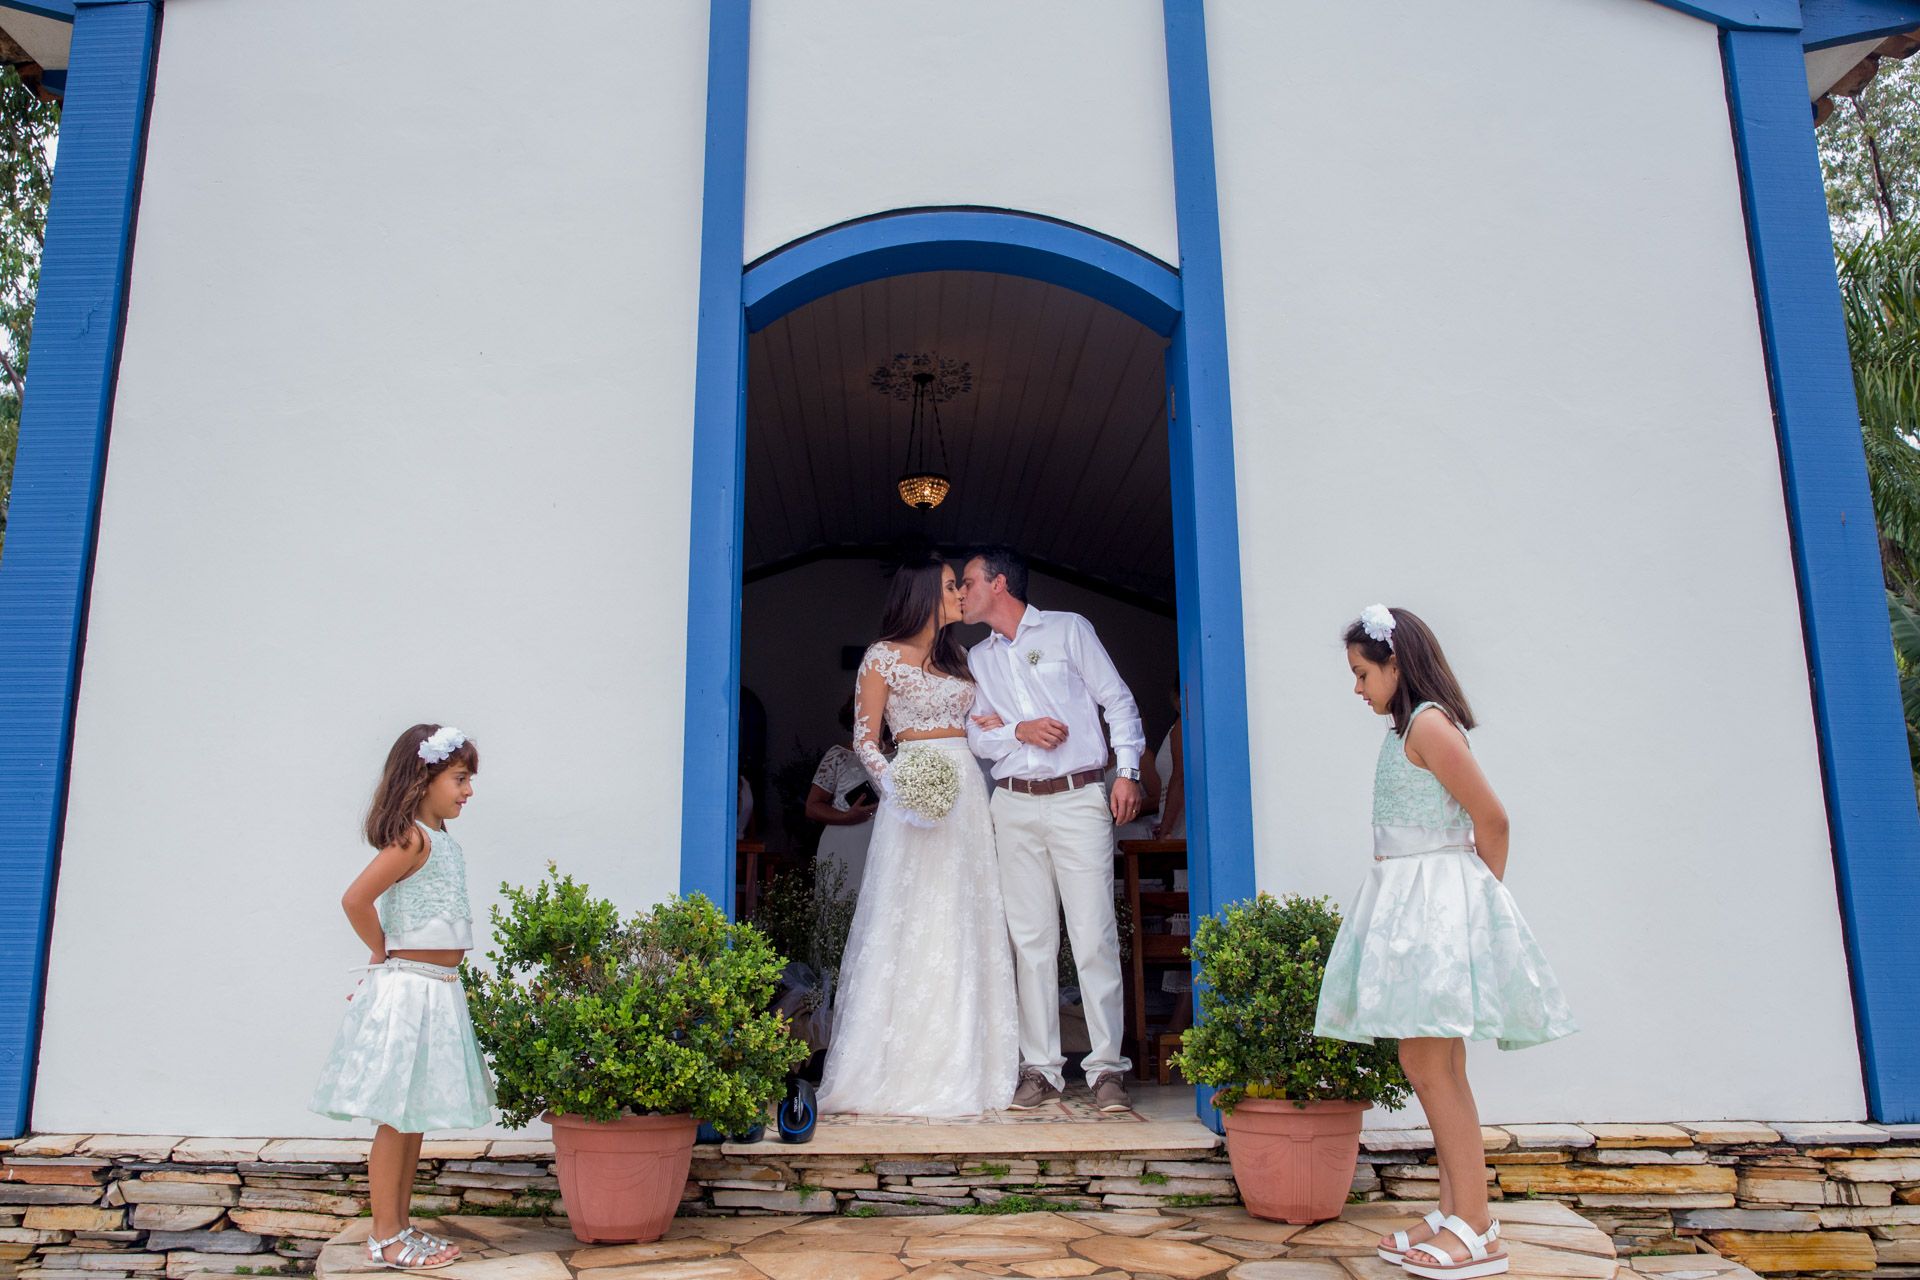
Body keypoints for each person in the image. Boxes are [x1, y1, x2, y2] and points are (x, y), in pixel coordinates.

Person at [1314, 606, 1577, 1280]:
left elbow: (1493, 820)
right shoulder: (1408, 729)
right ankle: (1458, 1206)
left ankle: (1479, 1229)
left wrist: (1472, 911)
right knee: (1435, 1063)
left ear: (1395, 664)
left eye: (1361, 673)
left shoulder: (1430, 725)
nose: (1356, 688)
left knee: (1430, 1066)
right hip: (1412, 911)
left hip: (1435, 918)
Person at [815, 556, 1019, 1116]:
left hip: (967, 796)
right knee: (910, 920)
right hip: (911, 794)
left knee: (965, 917)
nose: (960, 594)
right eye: (953, 585)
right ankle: (900, 1067)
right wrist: (897, 792)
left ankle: (969, 1063)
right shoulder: (881, 656)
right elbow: (865, 740)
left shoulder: (965, 660)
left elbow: (986, 726)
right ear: (926, 592)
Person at [959, 545, 1144, 1113]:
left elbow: (1117, 701)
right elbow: (976, 738)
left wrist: (1128, 771)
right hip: (1012, 805)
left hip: (1078, 797)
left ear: (999, 584)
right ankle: (1041, 1069)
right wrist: (1019, 728)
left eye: (967, 582)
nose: (960, 593)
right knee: (1030, 941)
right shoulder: (978, 659)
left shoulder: (1068, 630)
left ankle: (1107, 1068)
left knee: (1093, 936)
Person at [311, 724, 496, 1271]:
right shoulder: (412, 839)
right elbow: (355, 899)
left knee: (412, 1113)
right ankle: (384, 1235)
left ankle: (401, 1224)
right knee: (395, 1115)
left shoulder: (441, 841)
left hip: (436, 990)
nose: (468, 791)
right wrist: (381, 950)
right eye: (460, 778)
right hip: (410, 988)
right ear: (424, 778)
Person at [808, 696, 883, 893]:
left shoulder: (899, 757)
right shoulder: (839, 755)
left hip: (882, 843)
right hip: (843, 841)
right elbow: (813, 806)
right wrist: (848, 817)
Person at [1152, 679, 1186, 841]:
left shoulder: (1183, 726)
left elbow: (1180, 777)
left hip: (1179, 824)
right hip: (1176, 823)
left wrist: (1166, 829)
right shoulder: (1180, 726)